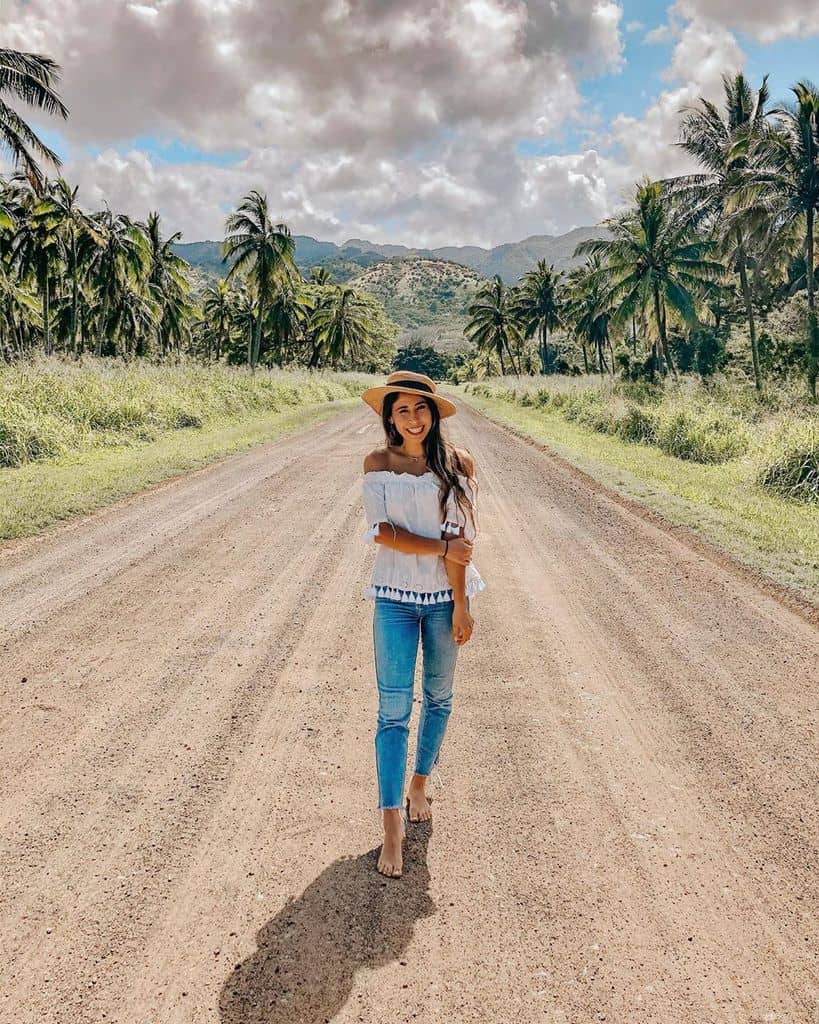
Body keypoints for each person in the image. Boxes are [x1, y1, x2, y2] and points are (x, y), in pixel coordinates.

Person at [360, 370, 485, 878]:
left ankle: (419, 783)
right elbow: (383, 533)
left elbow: (463, 544)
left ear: (434, 414)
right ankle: (391, 825)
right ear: (390, 415)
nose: (413, 419)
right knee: (392, 711)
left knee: (439, 698)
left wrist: (460, 604)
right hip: (392, 598)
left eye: (422, 408)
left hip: (440, 603)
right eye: (403, 409)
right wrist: (440, 547)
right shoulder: (377, 464)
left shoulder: (457, 465)